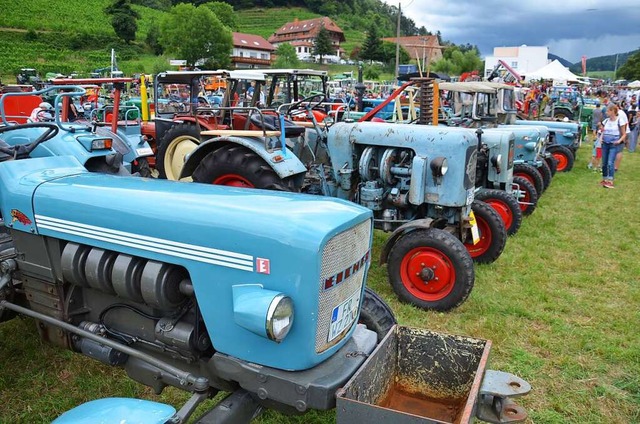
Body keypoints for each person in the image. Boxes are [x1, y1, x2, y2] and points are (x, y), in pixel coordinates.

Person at [600, 104, 626, 188]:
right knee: (604, 162)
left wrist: (619, 141)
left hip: (613, 145)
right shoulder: (606, 121)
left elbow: (624, 134)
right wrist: (600, 138)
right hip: (605, 144)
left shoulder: (619, 120)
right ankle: (604, 179)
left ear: (613, 111)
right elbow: (602, 131)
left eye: (608, 111)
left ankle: (610, 181)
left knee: (610, 162)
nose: (606, 112)